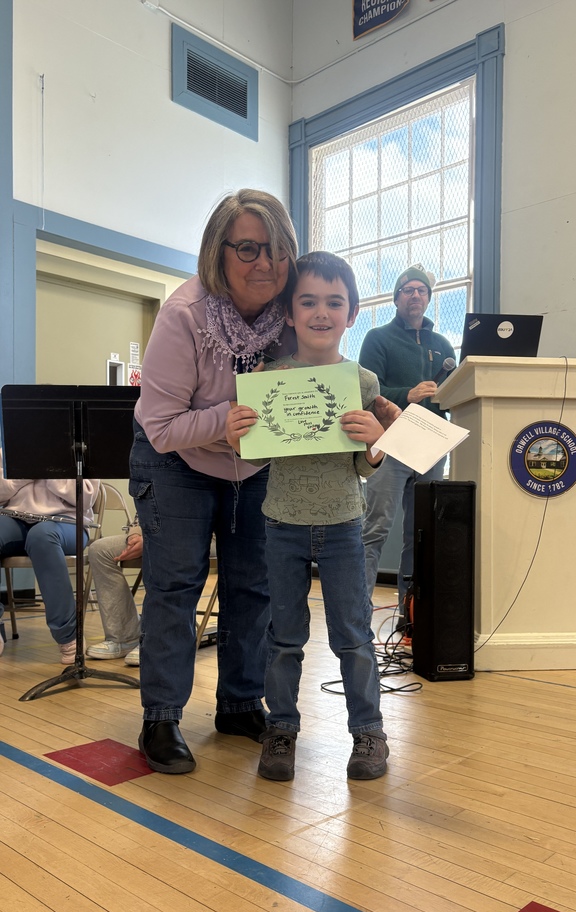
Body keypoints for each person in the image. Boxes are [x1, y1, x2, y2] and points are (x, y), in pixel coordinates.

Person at [129, 188, 299, 774]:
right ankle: (161, 717)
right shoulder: (185, 316)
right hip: (174, 459)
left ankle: (238, 703)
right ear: (217, 251)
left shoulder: (290, 316)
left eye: (276, 250)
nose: (264, 264)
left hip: (250, 466)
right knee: (175, 586)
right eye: (248, 248)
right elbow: (158, 424)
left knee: (253, 587)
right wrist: (222, 423)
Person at [226, 251, 389, 782]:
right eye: (309, 301)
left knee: (354, 635)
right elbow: (256, 459)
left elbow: (363, 470)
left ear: (352, 312)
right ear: (290, 314)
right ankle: (281, 729)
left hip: (343, 524)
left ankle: (369, 733)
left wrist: (376, 447)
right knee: (284, 637)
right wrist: (238, 436)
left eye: (334, 302)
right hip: (282, 525)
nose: (322, 312)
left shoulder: (362, 382)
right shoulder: (269, 378)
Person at [359, 265, 456, 623]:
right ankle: (357, 613)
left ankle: (410, 614)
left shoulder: (443, 346)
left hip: (431, 444)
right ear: (396, 297)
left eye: (422, 291)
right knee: (376, 527)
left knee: (420, 534)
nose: (415, 295)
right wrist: (407, 395)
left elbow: (452, 396)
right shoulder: (377, 339)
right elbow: (368, 392)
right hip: (392, 441)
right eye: (408, 290)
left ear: (429, 299)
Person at [0, 448, 100, 662]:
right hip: (16, 520)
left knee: (41, 536)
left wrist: (47, 467)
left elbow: (85, 498)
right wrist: (26, 473)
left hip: (67, 525)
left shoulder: (80, 449)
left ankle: (69, 635)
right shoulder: (8, 447)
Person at [86, 523, 142, 667]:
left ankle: (157, 639)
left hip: (192, 533)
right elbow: (143, 509)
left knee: (160, 549)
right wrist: (135, 534)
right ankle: (125, 637)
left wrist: (153, 539)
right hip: (151, 531)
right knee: (99, 550)